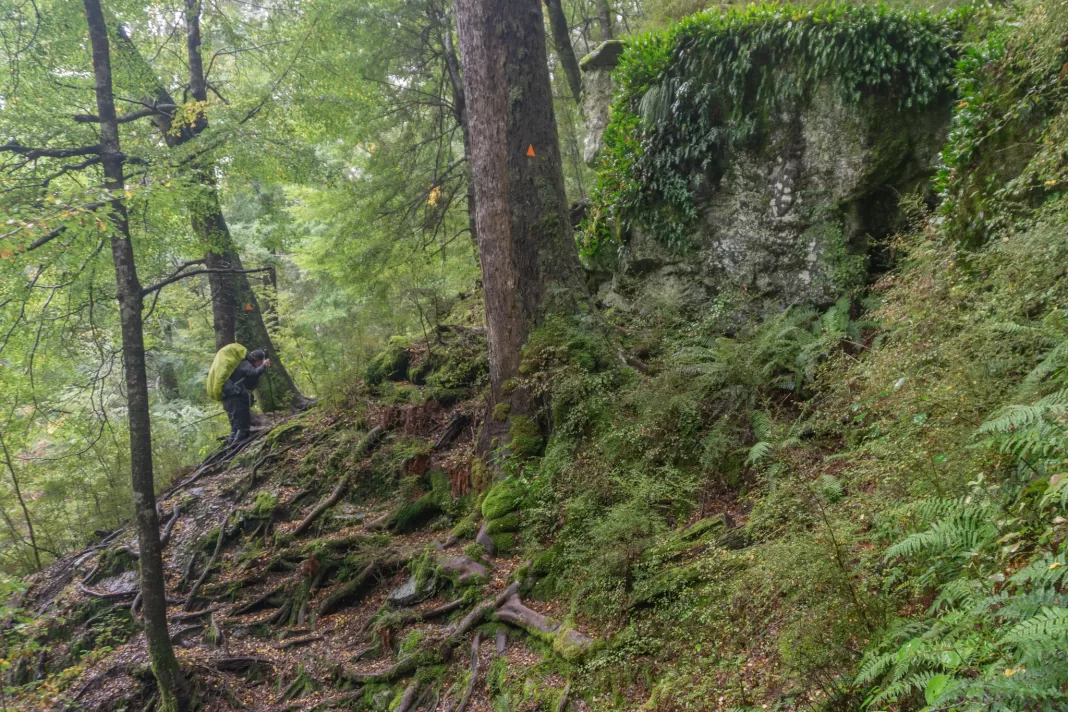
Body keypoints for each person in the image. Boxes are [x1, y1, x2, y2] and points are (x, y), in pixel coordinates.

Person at [222, 349, 270, 444]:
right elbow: (254, 373)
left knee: (236, 428)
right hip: (236, 401)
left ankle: (230, 449)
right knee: (243, 428)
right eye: (261, 361)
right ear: (258, 360)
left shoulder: (243, 364)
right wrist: (264, 365)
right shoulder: (245, 364)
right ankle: (235, 450)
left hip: (231, 400)